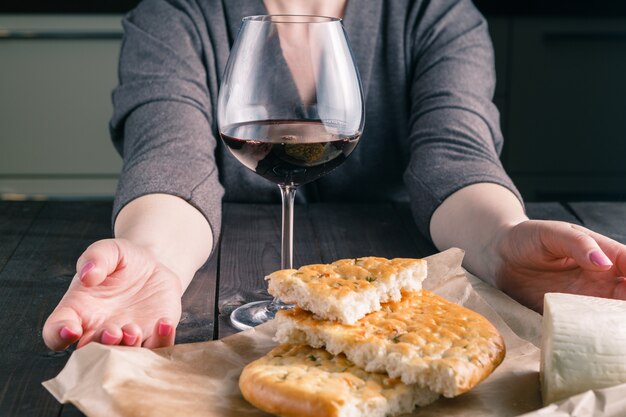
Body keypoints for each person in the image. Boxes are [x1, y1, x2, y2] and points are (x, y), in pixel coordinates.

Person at [43, 0, 626, 351]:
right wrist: (153, 257)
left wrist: (500, 242)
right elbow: (168, 155)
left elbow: (455, 152)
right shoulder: (174, 14)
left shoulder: (436, 13)